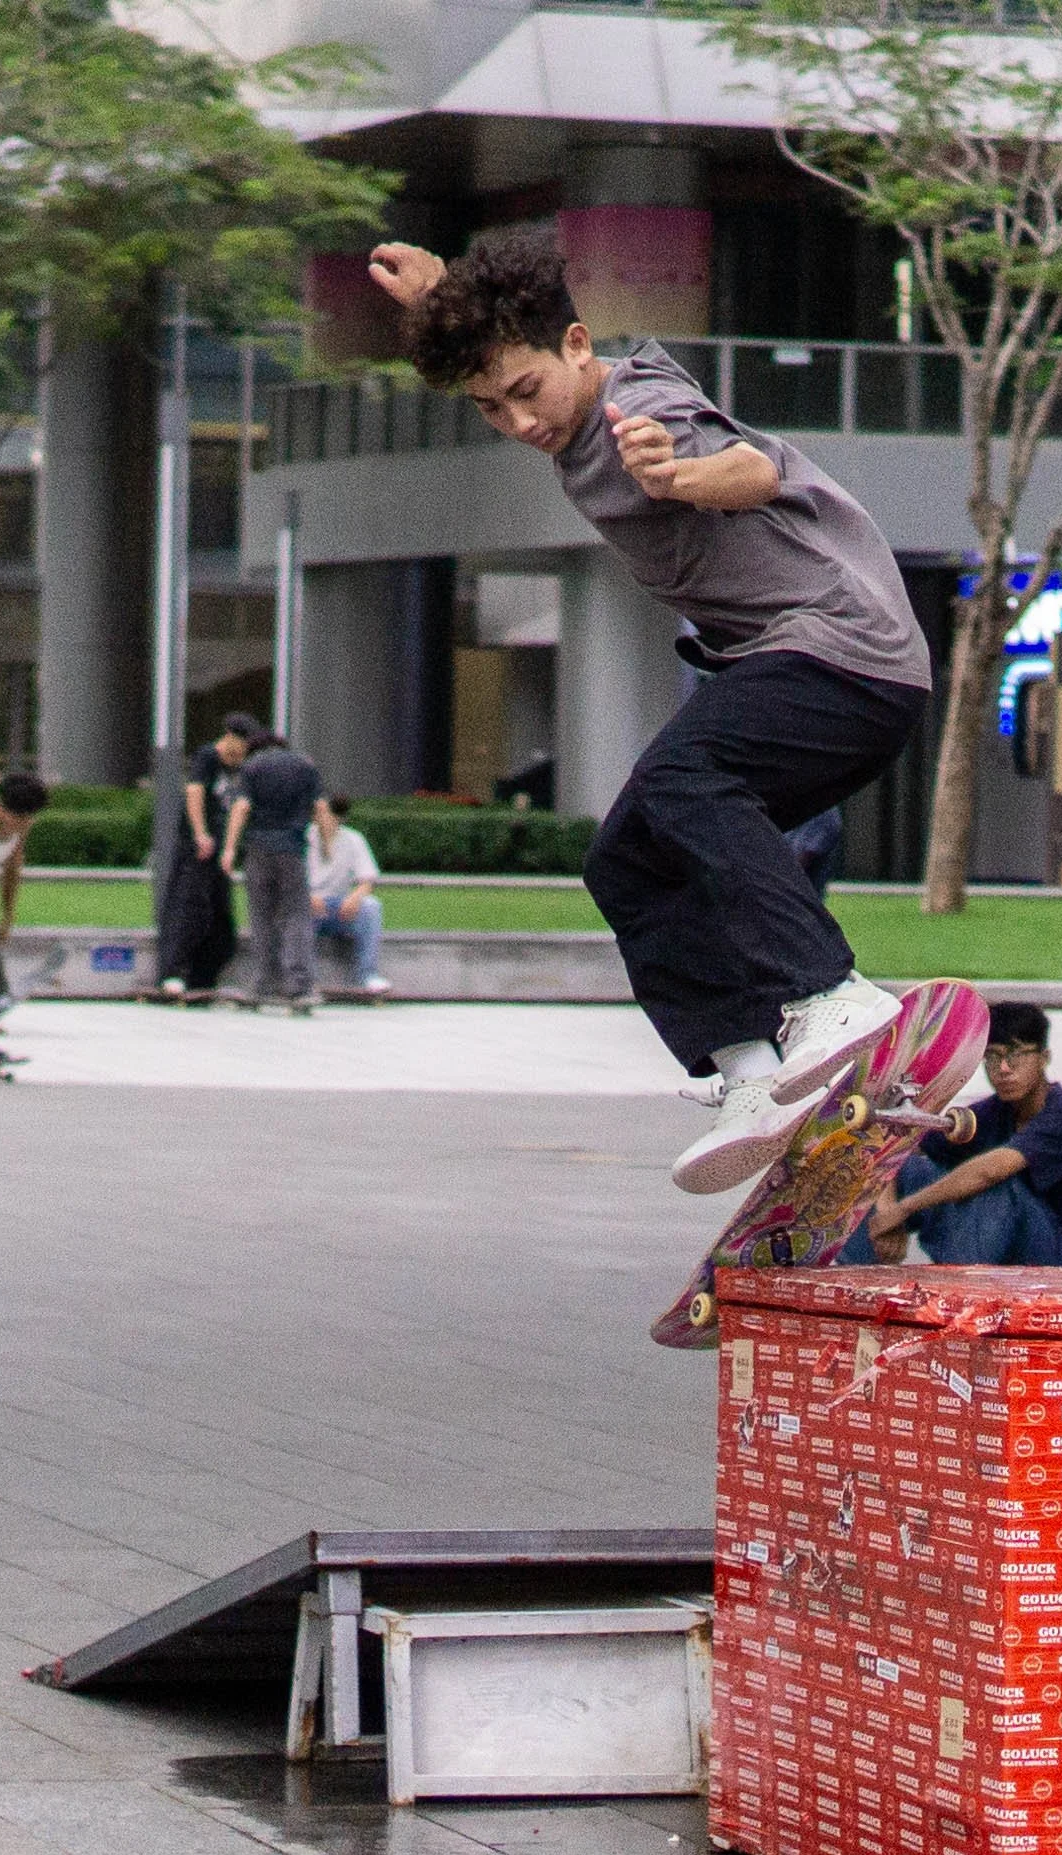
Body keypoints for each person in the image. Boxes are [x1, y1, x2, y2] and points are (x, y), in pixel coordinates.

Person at [370, 232, 932, 1193]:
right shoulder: (545, 378)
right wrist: (442, 301)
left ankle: (832, 998)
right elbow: (500, 338)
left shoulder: (643, 406)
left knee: (683, 777)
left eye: (527, 392)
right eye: (488, 407)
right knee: (627, 858)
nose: (516, 422)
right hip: (818, 676)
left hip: (841, 653)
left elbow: (752, 470)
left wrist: (675, 476)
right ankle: (750, 1069)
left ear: (579, 347)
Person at [843, 1002, 1062, 1268]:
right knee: (914, 1171)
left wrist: (903, 1210)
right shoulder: (995, 1112)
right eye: (993, 1057)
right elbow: (903, 1142)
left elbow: (990, 1171)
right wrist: (886, 1208)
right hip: (1014, 1257)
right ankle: (850, 1283)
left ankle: (955, 1294)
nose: (1003, 1069)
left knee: (994, 1185)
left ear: (1043, 1058)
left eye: (1015, 1055)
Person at [158, 712, 256, 999]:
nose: (239, 755)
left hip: (220, 852)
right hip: (197, 848)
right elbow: (194, 793)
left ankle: (205, 975)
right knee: (189, 907)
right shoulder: (206, 757)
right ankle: (172, 972)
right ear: (227, 737)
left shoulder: (241, 768)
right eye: (236, 747)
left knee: (220, 916)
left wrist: (230, 847)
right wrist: (200, 832)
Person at [221, 733, 322, 1011]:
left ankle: (263, 983)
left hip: (258, 850)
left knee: (261, 916)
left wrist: (229, 848)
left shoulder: (251, 767)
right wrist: (327, 846)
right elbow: (321, 807)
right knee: (295, 914)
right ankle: (299, 987)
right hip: (292, 850)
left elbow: (241, 807)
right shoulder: (305, 766)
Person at [309, 794, 390, 998]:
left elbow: (367, 879)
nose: (319, 816)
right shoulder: (303, 837)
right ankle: (305, 979)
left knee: (371, 907)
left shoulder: (353, 839)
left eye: (324, 812)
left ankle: (368, 976)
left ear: (336, 817)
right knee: (297, 915)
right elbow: (291, 880)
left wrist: (354, 897)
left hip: (339, 906)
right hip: (309, 905)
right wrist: (307, 897)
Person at [0, 770, 50, 1019]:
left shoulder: (21, 827)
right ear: (5, 813)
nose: (29, 822)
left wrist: (7, 917)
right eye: (25, 816)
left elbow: (12, 872)